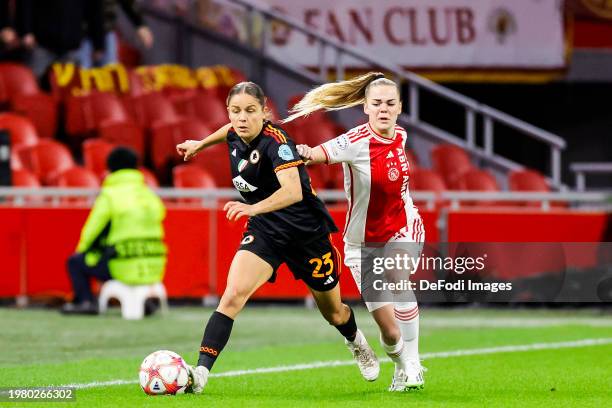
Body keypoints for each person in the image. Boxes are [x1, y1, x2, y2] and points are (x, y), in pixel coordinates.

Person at [175, 81, 378, 393]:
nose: (242, 118)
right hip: (266, 230)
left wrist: (252, 208)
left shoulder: (277, 143)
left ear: (263, 111)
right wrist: (200, 144)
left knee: (334, 312)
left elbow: (294, 191)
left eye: (250, 111)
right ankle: (200, 373)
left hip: (307, 234)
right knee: (231, 297)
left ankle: (357, 342)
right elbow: (226, 132)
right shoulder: (234, 131)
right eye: (235, 111)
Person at [283, 72, 426, 391]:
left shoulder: (400, 135)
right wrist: (303, 152)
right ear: (365, 106)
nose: (384, 109)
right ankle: (401, 365)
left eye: (390, 103)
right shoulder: (356, 141)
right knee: (389, 333)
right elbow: (319, 153)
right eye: (377, 104)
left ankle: (414, 362)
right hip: (362, 244)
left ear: (400, 107)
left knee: (397, 277)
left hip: (403, 225)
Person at [61, 147, 167, 315]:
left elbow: (91, 232)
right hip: (156, 268)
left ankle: (86, 302)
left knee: (75, 262)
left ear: (109, 169)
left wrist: (82, 253)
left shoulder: (110, 195)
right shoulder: (149, 195)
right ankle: (143, 303)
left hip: (123, 267)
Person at [79, 0, 154, 68]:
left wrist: (140, 24)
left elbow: (128, 3)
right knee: (80, 74)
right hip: (82, 33)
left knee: (110, 73)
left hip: (107, 31)